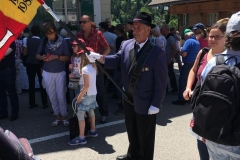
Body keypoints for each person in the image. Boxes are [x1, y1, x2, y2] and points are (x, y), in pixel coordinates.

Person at [91, 12, 168, 160]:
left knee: (145, 137)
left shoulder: (156, 52)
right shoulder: (126, 44)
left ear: (148, 29)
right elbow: (116, 59)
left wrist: (156, 104)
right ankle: (132, 155)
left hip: (146, 102)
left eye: (139, 27)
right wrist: (100, 58)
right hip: (127, 97)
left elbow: (161, 82)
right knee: (131, 131)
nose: (135, 31)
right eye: (134, 27)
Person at [183, 19, 228, 160]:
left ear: (227, 38)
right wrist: (188, 87)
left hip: (220, 113)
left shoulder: (230, 59)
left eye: (217, 36)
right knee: (202, 150)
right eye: (210, 36)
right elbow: (193, 70)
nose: (212, 39)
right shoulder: (203, 53)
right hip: (201, 108)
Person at [199, 12, 240, 160]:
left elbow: (202, 96)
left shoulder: (215, 62)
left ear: (227, 36)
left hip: (216, 137)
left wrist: (204, 130)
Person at [76, 15, 110, 124]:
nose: (82, 24)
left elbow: (107, 48)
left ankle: (104, 114)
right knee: (84, 90)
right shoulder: (78, 35)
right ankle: (88, 116)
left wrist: (100, 59)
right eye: (80, 22)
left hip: (96, 67)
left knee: (100, 90)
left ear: (90, 22)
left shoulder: (98, 34)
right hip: (83, 66)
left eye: (84, 22)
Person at [36, 22, 70, 127]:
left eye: (50, 33)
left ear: (55, 32)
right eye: (46, 34)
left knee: (61, 95)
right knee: (52, 95)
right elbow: (37, 55)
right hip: (47, 71)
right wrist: (42, 58)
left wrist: (57, 57)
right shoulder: (44, 41)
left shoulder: (63, 41)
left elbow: (68, 57)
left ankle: (64, 116)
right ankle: (57, 116)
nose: (49, 36)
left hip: (60, 71)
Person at [68, 47, 98, 145]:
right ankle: (93, 130)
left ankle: (81, 137)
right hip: (93, 93)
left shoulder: (85, 69)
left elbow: (86, 85)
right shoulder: (94, 67)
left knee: (80, 113)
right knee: (91, 110)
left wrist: (80, 96)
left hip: (86, 93)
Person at [23, 25, 48, 109]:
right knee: (42, 83)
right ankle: (44, 102)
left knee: (31, 83)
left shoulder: (26, 40)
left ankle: (32, 103)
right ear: (39, 32)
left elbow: (25, 53)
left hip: (30, 63)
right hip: (40, 63)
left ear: (31, 32)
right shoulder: (42, 41)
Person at [172, 29, 200, 105]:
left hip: (187, 64)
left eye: (185, 36)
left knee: (183, 81)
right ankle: (190, 98)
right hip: (194, 64)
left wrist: (179, 52)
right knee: (192, 82)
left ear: (187, 35)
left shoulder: (188, 41)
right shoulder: (197, 42)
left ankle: (181, 99)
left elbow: (184, 54)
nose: (184, 38)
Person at [0, 42, 19, 121]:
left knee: (11, 92)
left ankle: (15, 113)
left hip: (8, 70)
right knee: (1, 93)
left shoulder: (10, 42)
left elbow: (4, 53)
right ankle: (4, 112)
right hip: (2, 70)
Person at [114, 24, 128, 115]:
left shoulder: (119, 40)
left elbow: (118, 52)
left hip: (119, 64)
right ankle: (124, 103)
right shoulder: (126, 39)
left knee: (118, 84)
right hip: (125, 64)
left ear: (117, 30)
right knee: (124, 84)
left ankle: (122, 104)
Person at [161, 24, 178, 94]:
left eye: (162, 29)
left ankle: (174, 88)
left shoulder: (170, 37)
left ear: (166, 30)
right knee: (167, 74)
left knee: (170, 74)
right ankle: (168, 88)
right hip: (167, 59)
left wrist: (171, 58)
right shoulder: (166, 37)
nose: (161, 30)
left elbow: (175, 48)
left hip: (169, 59)